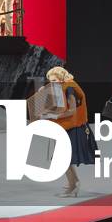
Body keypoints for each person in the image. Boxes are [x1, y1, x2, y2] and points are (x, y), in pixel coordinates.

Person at [45, 67, 96, 198]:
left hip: (74, 128)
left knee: (63, 159)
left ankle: (73, 186)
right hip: (71, 127)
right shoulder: (67, 87)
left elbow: (72, 111)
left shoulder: (69, 89)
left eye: (55, 81)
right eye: (51, 82)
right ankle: (73, 182)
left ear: (61, 78)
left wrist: (53, 116)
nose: (53, 84)